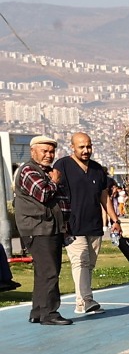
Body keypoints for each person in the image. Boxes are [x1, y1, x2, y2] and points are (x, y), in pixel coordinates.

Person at [53, 132, 120, 316]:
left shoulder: (98, 169)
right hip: (72, 225)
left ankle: (81, 304)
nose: (86, 150)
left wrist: (115, 220)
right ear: (72, 147)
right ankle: (87, 299)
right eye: (81, 147)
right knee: (80, 262)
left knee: (89, 264)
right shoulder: (63, 165)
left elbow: (104, 196)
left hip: (94, 225)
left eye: (88, 146)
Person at [14, 136, 71, 324]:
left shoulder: (46, 171)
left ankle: (38, 311)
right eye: (44, 151)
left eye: (51, 151)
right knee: (50, 272)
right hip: (38, 228)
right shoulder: (29, 170)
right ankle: (50, 314)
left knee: (43, 271)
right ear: (33, 152)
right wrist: (54, 181)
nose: (49, 155)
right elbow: (43, 194)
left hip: (49, 227)